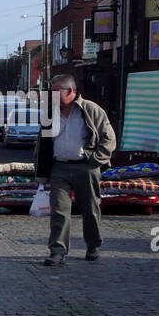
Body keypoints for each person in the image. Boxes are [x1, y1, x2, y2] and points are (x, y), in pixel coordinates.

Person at [34, 74, 115, 266]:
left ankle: (93, 245)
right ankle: (57, 251)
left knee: (90, 209)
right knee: (59, 211)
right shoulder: (50, 114)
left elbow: (108, 138)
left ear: (69, 91)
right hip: (59, 167)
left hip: (86, 167)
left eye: (55, 92)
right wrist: (42, 171)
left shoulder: (91, 110)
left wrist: (96, 160)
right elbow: (42, 144)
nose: (51, 96)